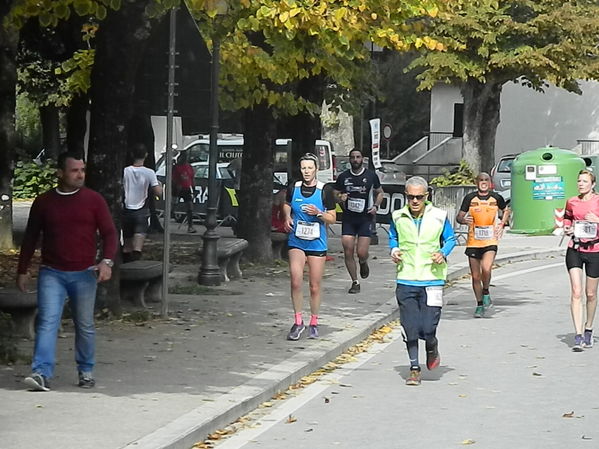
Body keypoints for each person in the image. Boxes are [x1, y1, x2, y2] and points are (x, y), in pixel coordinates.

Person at [16, 152, 117, 391]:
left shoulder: (94, 200)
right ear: (60, 173)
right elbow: (30, 237)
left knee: (84, 324)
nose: (80, 174)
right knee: (47, 322)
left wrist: (107, 262)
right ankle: (41, 373)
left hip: (84, 272)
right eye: (74, 170)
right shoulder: (44, 202)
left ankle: (86, 370)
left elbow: (110, 233)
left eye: (82, 170)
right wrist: (22, 269)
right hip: (52, 272)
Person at [389, 176, 456, 386]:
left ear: (426, 196)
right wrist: (394, 249)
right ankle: (414, 368)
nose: (415, 201)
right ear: (406, 196)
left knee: (427, 327)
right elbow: (393, 236)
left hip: (432, 278)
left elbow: (451, 239)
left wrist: (443, 253)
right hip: (406, 277)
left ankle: (431, 344)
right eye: (410, 197)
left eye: (419, 197)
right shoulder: (398, 216)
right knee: (410, 327)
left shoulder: (438, 216)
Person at [282, 153, 337, 340]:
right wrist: (287, 217)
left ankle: (314, 321)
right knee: (296, 281)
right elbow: (287, 204)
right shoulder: (294, 187)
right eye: (304, 168)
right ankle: (298, 322)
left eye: (310, 168)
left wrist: (319, 213)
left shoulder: (325, 191)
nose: (306, 172)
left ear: (316, 170)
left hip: (316, 242)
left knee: (314, 285)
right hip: (296, 241)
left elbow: (333, 218)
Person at [456, 172, 509, 318]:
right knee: (475, 276)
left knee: (486, 268)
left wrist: (502, 224)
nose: (483, 182)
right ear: (476, 182)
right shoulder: (470, 198)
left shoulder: (496, 197)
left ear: (490, 182)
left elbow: (506, 210)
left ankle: (486, 291)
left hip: (490, 240)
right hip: (473, 241)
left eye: (486, 180)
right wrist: (464, 220)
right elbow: (459, 216)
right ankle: (479, 305)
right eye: (481, 180)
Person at [334, 149, 384, 294]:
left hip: (365, 218)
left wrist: (375, 206)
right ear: (349, 160)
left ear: (362, 159)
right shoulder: (344, 176)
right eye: (353, 157)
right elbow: (335, 192)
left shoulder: (370, 176)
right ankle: (355, 282)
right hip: (349, 218)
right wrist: (339, 198)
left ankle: (363, 262)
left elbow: (380, 192)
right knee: (348, 251)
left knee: (361, 252)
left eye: (358, 157)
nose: (355, 160)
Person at [563, 169, 599, 351]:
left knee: (590, 294)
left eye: (585, 181)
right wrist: (567, 228)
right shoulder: (572, 201)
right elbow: (567, 218)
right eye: (579, 181)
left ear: (593, 184)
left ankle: (588, 328)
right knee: (576, 292)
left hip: (595, 250)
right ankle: (577, 335)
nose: (581, 184)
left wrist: (597, 220)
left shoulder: (598, 201)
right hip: (575, 249)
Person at [122, 144, 163, 261]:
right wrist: (160, 186)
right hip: (142, 210)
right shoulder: (149, 173)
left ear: (131, 155)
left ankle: (126, 264)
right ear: (146, 155)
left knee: (127, 242)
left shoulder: (125, 171)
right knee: (139, 240)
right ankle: (136, 257)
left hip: (126, 210)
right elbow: (158, 192)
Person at [173, 150, 197, 233]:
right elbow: (173, 178)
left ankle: (190, 226)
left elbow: (192, 178)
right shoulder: (176, 167)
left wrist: (194, 187)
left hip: (186, 189)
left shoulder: (189, 167)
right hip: (178, 188)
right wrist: (175, 186)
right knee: (173, 205)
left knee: (190, 207)